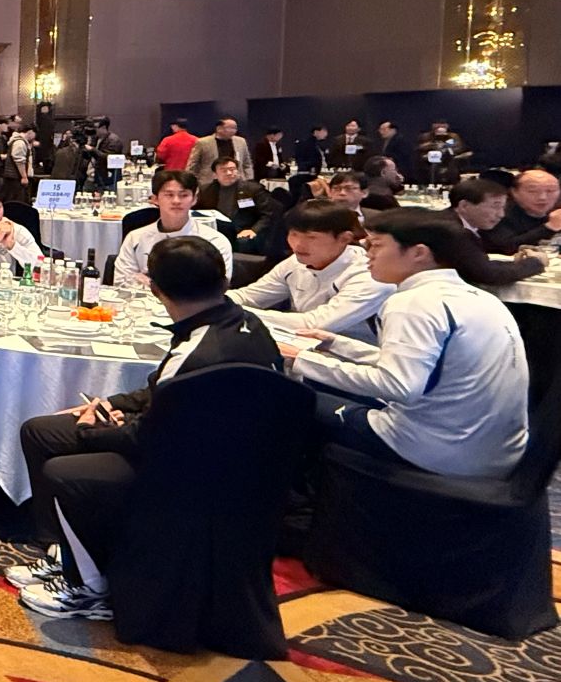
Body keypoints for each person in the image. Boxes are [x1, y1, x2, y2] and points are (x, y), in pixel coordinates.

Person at [9, 236, 283, 620]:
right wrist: (112, 405)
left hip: (191, 468)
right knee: (42, 432)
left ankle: (89, 586)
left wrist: (92, 430)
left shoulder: (196, 351)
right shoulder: (244, 321)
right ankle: (65, 552)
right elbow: (160, 393)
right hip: (225, 451)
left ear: (156, 289)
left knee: (64, 469)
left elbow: (148, 437)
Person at [284, 211, 528, 479]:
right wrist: (338, 345)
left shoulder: (412, 303)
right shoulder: (478, 297)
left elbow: (399, 386)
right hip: (493, 450)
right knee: (321, 386)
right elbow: (429, 367)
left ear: (419, 253)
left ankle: (300, 496)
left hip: (434, 450)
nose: (367, 255)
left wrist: (302, 359)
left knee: (289, 400)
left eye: (376, 245)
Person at [229, 198, 389, 339]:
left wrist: (233, 311)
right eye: (294, 234)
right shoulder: (296, 261)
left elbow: (316, 323)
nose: (298, 245)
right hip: (300, 345)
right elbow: (248, 296)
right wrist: (217, 301)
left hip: (353, 357)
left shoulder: (370, 274)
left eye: (311, 237)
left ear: (344, 238)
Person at [113, 169, 232, 285]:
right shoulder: (135, 238)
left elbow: (217, 287)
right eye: (169, 195)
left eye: (184, 195)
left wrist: (150, 283)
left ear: (194, 199)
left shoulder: (214, 241)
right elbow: (121, 282)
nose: (176, 201)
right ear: (155, 199)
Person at [445, 179, 549, 287]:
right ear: (464, 206)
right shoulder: (451, 231)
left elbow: (478, 265)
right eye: (495, 206)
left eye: (503, 207)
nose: (501, 214)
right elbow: (488, 275)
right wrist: (536, 262)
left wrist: (519, 263)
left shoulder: (455, 224)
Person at [194, 156, 278, 255]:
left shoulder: (252, 189)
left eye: (232, 169)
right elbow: (196, 212)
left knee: (244, 242)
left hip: (243, 231)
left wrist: (254, 230)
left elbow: (268, 214)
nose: (229, 173)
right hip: (217, 230)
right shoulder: (206, 191)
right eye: (224, 170)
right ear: (215, 175)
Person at [490, 168, 561, 249]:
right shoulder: (498, 213)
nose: (542, 197)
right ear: (514, 192)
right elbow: (505, 247)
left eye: (550, 191)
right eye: (532, 191)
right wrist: (550, 227)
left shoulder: (557, 210)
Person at [184, 115, 253, 182]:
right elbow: (193, 164)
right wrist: (190, 182)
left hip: (236, 181)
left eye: (235, 128)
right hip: (210, 182)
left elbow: (247, 163)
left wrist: (249, 179)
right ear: (219, 128)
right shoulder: (203, 142)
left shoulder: (241, 141)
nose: (233, 131)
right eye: (230, 128)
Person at [414, 120, 468, 186]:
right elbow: (418, 148)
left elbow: (459, 148)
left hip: (448, 162)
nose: (440, 126)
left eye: (443, 124)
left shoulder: (453, 136)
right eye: (437, 124)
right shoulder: (425, 136)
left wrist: (446, 147)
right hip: (429, 163)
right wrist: (431, 145)